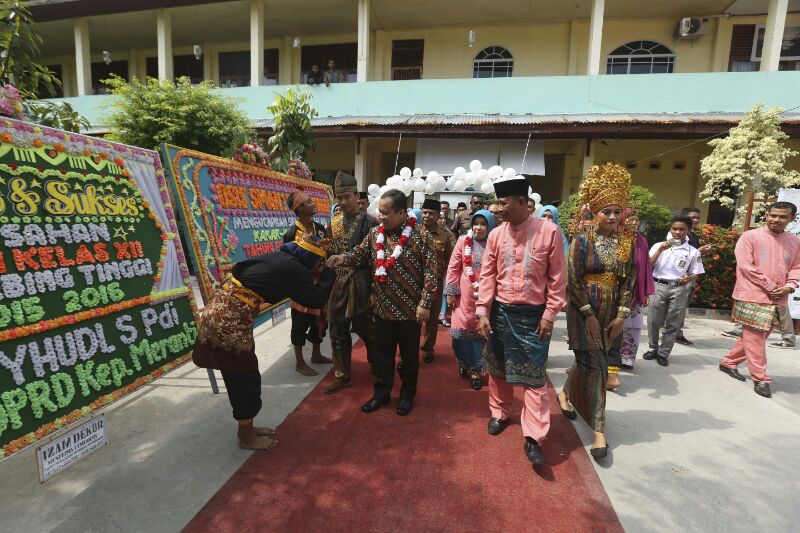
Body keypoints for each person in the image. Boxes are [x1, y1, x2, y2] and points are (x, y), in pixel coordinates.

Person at [193, 237, 335, 449]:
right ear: (311, 258)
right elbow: (315, 299)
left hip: (222, 310)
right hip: (228, 319)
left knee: (241, 373)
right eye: (319, 263)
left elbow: (240, 269)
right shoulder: (294, 269)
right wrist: (330, 272)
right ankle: (246, 436)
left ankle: (247, 428)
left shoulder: (281, 258)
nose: (319, 267)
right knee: (243, 376)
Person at [476, 177, 566, 466]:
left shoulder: (549, 231)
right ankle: (500, 412)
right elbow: (487, 276)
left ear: (524, 204)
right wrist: (481, 312)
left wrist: (550, 314)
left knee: (533, 377)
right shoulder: (495, 235)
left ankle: (533, 435)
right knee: (498, 368)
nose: (499, 208)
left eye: (504, 203)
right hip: (499, 313)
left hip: (533, 317)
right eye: (498, 203)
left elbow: (557, 279)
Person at [328, 190, 439, 416]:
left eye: (386, 213)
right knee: (382, 356)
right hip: (381, 309)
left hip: (409, 311)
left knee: (408, 358)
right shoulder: (374, 234)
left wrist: (425, 303)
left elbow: (431, 272)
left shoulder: (420, 236)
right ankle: (381, 393)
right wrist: (341, 259)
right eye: (380, 211)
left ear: (402, 212)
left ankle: (407, 395)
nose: (381, 216)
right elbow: (358, 255)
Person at [557, 163, 636, 459]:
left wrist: (621, 315)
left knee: (592, 360)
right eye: (607, 211)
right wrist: (588, 313)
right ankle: (599, 432)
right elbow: (572, 279)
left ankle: (565, 394)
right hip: (583, 311)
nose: (613, 217)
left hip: (612, 312)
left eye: (617, 211)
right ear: (595, 213)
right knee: (597, 369)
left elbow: (630, 280)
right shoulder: (581, 241)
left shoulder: (627, 243)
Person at [719, 202, 800, 398]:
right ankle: (761, 378)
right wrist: (771, 287)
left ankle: (728, 362)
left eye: (782, 217)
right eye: (773, 215)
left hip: (779, 297)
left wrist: (789, 286)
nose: (776, 219)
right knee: (755, 337)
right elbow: (746, 266)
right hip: (752, 295)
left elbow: (797, 267)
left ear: (792, 219)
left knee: (757, 336)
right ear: (766, 214)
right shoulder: (750, 236)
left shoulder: (795, 241)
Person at [322, 172, 379, 394]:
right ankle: (341, 375)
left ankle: (377, 362)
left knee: (367, 330)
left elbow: (377, 260)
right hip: (337, 285)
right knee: (336, 331)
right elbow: (327, 253)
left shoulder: (370, 223)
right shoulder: (333, 223)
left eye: (347, 196)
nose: (343, 202)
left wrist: (375, 289)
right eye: (339, 198)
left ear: (356, 195)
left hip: (362, 283)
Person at [643, 215, 705, 367]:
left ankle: (664, 352)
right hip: (658, 285)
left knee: (673, 323)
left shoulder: (692, 252)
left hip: (678, 287)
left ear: (689, 231)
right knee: (653, 320)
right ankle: (652, 348)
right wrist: (660, 250)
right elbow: (648, 265)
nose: (677, 232)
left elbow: (697, 272)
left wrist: (688, 279)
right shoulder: (659, 245)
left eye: (682, 229)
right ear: (670, 229)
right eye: (674, 228)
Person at [283, 191, 332, 376]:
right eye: (309, 202)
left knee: (319, 319)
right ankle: (299, 361)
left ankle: (316, 354)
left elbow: (328, 250)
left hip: (321, 284)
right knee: (300, 322)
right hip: (301, 285)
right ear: (299, 208)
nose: (314, 204)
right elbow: (289, 262)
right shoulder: (291, 234)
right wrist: (310, 271)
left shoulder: (320, 228)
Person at [445, 209, 495, 390]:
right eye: (476, 223)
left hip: (488, 295)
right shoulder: (462, 241)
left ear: (490, 226)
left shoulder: (493, 243)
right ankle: (463, 362)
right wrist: (451, 292)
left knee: (480, 332)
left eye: (483, 224)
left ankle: (475, 369)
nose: (479, 228)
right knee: (460, 332)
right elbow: (453, 268)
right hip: (464, 295)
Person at [419, 198, 456, 363]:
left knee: (432, 318)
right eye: (424, 212)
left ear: (437, 215)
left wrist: (451, 286)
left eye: (430, 213)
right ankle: (410, 347)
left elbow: (453, 262)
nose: (426, 216)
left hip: (435, 283)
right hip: (413, 280)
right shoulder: (412, 231)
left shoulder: (446, 235)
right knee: (412, 318)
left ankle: (428, 348)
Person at [673, 207, 714, 346]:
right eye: (693, 217)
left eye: (698, 217)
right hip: (679, 278)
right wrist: (699, 251)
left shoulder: (694, 236)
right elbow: (674, 253)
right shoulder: (675, 236)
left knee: (682, 307)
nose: (696, 220)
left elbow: (692, 257)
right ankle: (674, 333)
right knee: (677, 307)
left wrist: (701, 252)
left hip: (690, 276)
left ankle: (675, 332)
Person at [620, 212, 655, 369]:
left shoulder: (641, 240)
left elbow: (646, 266)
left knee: (633, 326)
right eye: (630, 218)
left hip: (636, 291)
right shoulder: (616, 237)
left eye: (636, 219)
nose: (634, 222)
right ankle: (610, 356)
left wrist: (646, 291)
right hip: (617, 290)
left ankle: (627, 359)